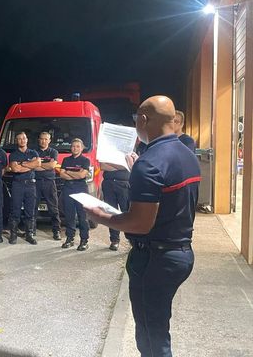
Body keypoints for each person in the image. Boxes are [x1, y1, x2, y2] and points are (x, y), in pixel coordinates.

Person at [85, 96, 200, 357]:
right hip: (181, 252)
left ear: (144, 120)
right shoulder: (186, 153)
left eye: (137, 119)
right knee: (158, 328)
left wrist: (99, 216)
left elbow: (140, 223)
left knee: (152, 338)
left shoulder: (149, 163)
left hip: (155, 259)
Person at [7, 132, 41, 245]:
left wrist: (22, 164)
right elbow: (15, 169)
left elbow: (38, 163)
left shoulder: (33, 152)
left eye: (24, 138)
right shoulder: (13, 154)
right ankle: (13, 234)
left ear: (27, 140)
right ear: (17, 141)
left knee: (30, 210)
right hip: (18, 184)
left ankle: (29, 234)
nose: (22, 140)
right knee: (15, 210)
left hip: (31, 185)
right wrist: (29, 164)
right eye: (19, 138)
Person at [59, 138, 91, 251]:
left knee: (83, 216)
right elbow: (62, 175)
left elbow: (82, 175)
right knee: (69, 216)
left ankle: (84, 240)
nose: (75, 148)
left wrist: (68, 172)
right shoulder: (66, 160)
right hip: (68, 189)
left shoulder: (85, 161)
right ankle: (70, 238)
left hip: (81, 189)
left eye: (77, 146)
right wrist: (74, 174)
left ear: (81, 148)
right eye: (73, 146)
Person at [33, 131, 62, 240]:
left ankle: (56, 231)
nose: (43, 141)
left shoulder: (53, 152)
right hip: (36, 182)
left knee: (53, 208)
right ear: (38, 140)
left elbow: (52, 165)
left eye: (46, 139)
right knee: (33, 207)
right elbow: (33, 167)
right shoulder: (34, 152)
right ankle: (31, 230)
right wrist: (44, 166)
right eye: (42, 139)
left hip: (50, 182)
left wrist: (39, 165)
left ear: (49, 141)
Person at [100, 161, 130, 251]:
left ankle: (131, 239)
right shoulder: (107, 152)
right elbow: (102, 166)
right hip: (108, 184)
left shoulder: (127, 150)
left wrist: (111, 166)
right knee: (111, 213)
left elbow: (128, 166)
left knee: (127, 213)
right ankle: (114, 240)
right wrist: (120, 166)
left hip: (123, 184)